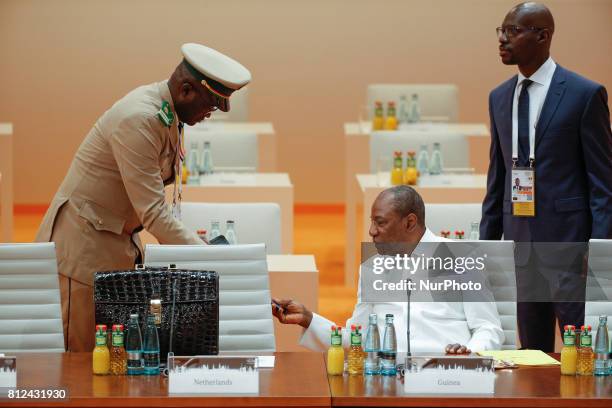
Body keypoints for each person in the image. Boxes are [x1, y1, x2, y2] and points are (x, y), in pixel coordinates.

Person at [35, 43, 252, 351]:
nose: (209, 114)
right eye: (211, 106)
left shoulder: (168, 113)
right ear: (187, 90)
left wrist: (195, 247)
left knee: (114, 354)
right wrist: (209, 257)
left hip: (114, 241)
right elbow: (153, 213)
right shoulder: (140, 118)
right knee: (81, 361)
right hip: (81, 251)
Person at [480, 2, 612, 351]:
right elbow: (498, 177)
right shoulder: (499, 97)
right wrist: (487, 247)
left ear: (542, 35)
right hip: (520, 245)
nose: (503, 39)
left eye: (513, 31)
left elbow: (603, 184)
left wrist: (599, 252)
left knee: (581, 352)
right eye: (501, 31)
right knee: (531, 354)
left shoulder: (584, 94)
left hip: (572, 248)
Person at [273, 186, 504, 354]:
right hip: (390, 382)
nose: (372, 231)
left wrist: (469, 356)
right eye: (371, 222)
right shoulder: (372, 268)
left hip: (449, 377)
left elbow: (488, 328)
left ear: (410, 223)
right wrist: (309, 319)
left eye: (381, 222)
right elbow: (360, 337)